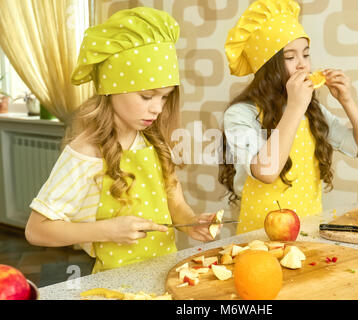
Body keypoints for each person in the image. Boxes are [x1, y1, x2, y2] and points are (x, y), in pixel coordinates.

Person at [25, 7, 220, 273]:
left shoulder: (154, 142)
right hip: (116, 281)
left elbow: (175, 204)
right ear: (112, 89)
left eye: (164, 97)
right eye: (147, 96)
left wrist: (192, 221)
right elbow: (36, 230)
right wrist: (107, 230)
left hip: (166, 274)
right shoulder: (86, 151)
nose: (157, 109)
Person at [219, 0, 358, 234]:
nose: (302, 65)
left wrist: (347, 101)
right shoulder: (240, 114)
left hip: (309, 230)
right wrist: (294, 108)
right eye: (290, 57)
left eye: (305, 55)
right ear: (267, 66)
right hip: (260, 234)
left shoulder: (312, 110)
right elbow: (266, 172)